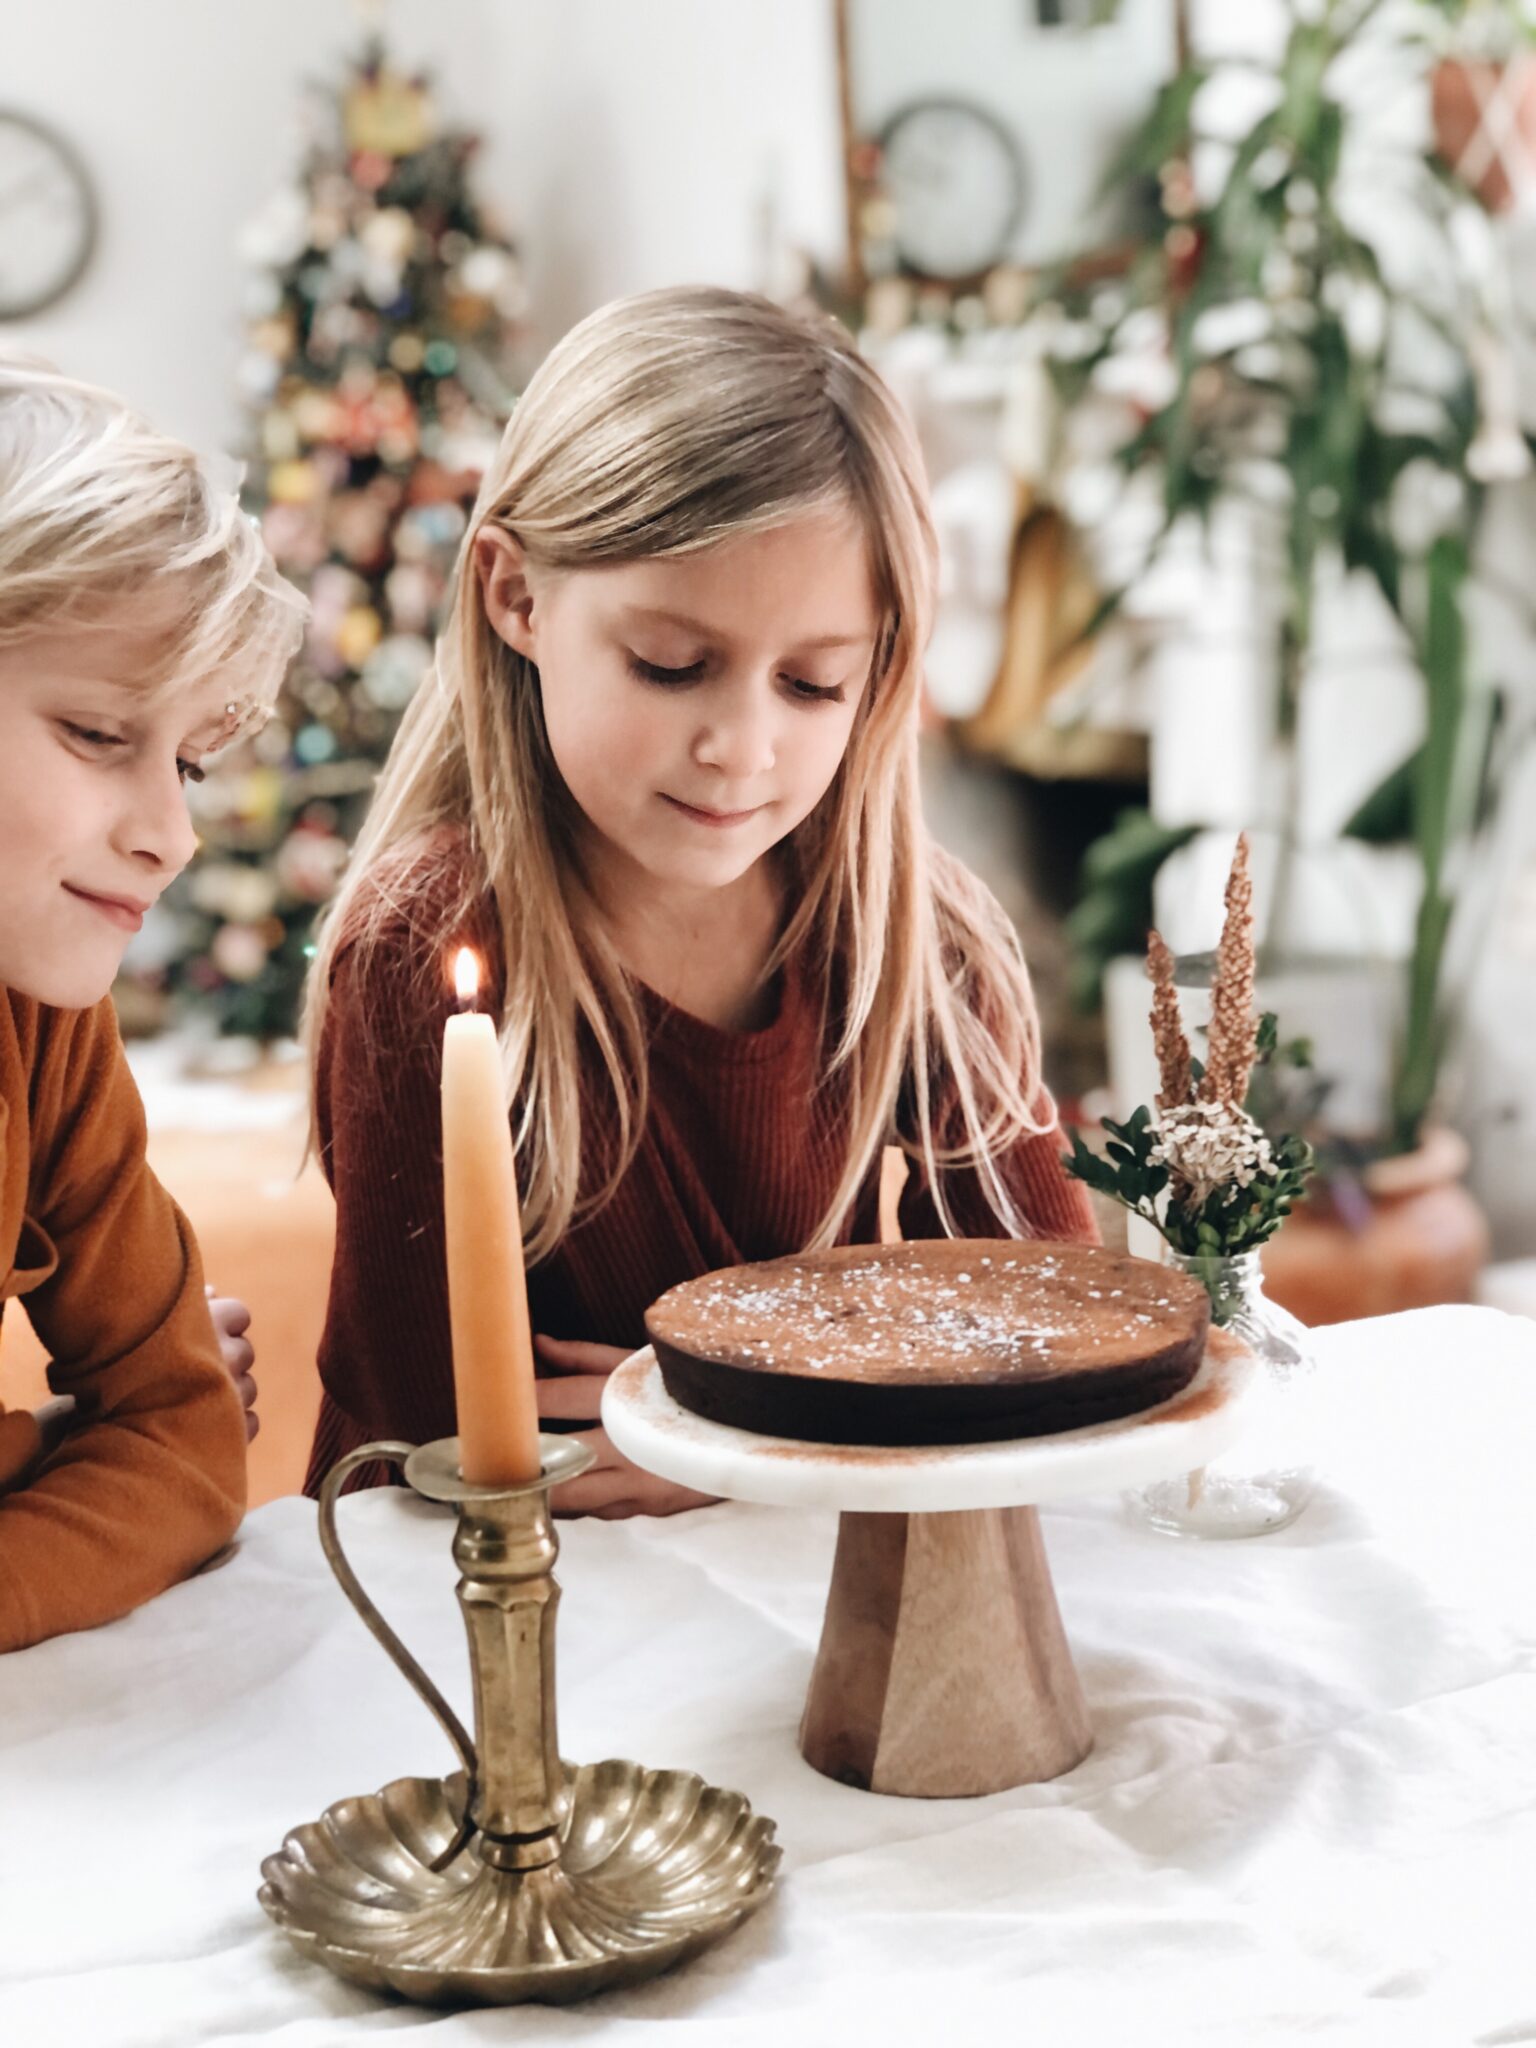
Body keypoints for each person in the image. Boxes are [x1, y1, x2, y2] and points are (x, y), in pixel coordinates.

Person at [304, 286, 1097, 1516]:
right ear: (517, 597)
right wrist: (852, 1389)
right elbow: (421, 1410)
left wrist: (733, 1435)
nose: (743, 746)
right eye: (672, 666)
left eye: (814, 682)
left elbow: (1049, 1312)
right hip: (485, 1589)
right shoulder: (424, 945)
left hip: (793, 1563)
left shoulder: (917, 937)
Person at [0, 358, 305, 1650]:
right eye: (98, 733)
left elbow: (184, 1448)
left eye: (186, 759)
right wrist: (45, 1456)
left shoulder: (47, 1026)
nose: (174, 836)